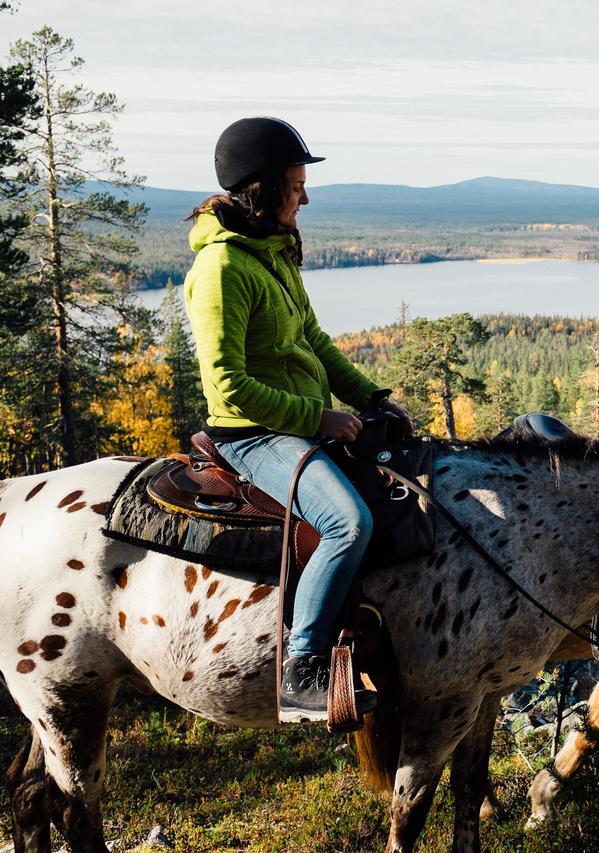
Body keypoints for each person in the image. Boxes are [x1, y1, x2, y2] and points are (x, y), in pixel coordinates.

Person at [183, 117, 413, 722]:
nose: (304, 195)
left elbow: (312, 338)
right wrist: (320, 418)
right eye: (295, 183)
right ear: (259, 189)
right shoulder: (220, 270)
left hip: (299, 424)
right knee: (347, 525)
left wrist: (371, 397)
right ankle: (303, 667)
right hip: (252, 436)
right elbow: (226, 385)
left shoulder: (272, 252)